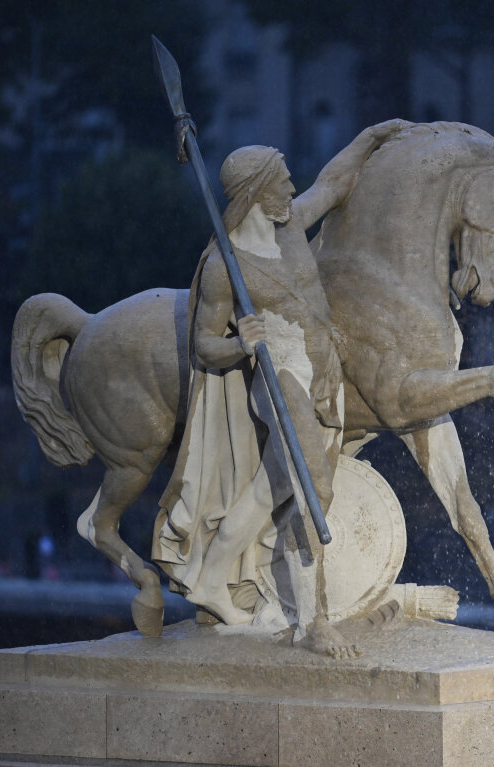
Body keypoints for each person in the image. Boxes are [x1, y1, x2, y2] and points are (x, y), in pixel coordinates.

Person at [153, 120, 410, 657]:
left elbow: (333, 184)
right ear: (255, 191)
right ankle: (313, 623)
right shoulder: (227, 267)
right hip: (280, 375)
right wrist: (242, 343)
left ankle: (210, 574)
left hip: (324, 371)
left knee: (273, 487)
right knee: (314, 487)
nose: (292, 191)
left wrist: (373, 136)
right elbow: (203, 346)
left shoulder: (290, 227)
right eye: (282, 183)